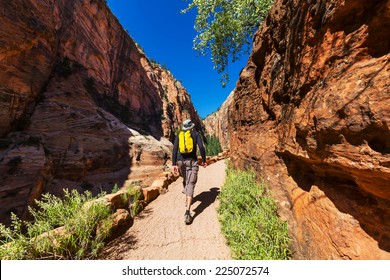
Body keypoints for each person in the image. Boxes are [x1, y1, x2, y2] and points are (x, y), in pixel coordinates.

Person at [172, 119, 207, 225]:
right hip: (192, 162)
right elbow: (201, 147)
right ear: (191, 126)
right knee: (191, 184)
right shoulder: (195, 134)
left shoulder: (180, 135)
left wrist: (174, 164)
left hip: (180, 161)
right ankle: (187, 212)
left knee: (185, 179)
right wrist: (204, 161)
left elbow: (174, 149)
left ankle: (186, 192)